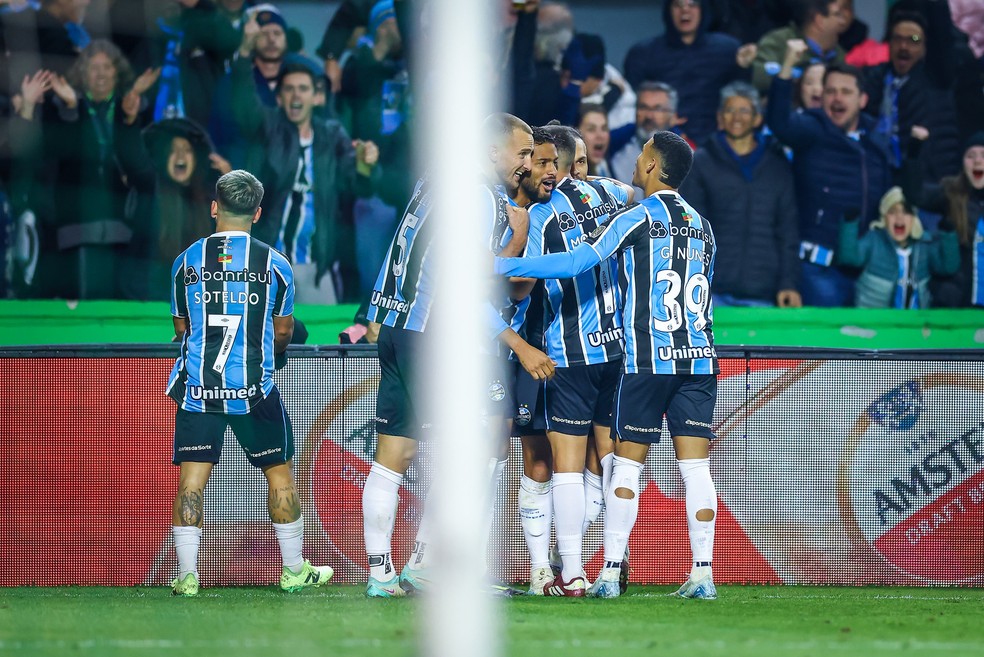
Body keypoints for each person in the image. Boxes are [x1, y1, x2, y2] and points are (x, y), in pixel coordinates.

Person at [494, 130, 720, 600]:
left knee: (625, 470)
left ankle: (608, 573)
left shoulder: (635, 217)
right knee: (696, 471)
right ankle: (703, 573)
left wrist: (499, 266)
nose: (635, 159)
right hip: (699, 357)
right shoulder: (703, 225)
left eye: (643, 153)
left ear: (653, 165)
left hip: (644, 359)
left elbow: (576, 261)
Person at [361, 113, 553, 598]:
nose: (526, 163)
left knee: (394, 454)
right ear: (491, 150)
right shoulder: (482, 196)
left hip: (396, 326)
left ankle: (381, 575)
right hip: (434, 334)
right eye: (522, 153)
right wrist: (518, 236)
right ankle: (438, 567)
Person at [166, 169, 333, 597]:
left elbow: (181, 328)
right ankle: (293, 570)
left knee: (192, 482)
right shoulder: (276, 265)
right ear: (257, 213)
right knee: (279, 475)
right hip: (253, 389)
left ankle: (187, 576)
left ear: (214, 208)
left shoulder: (185, 262)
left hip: (198, 389)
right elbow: (284, 331)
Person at [519, 124, 632, 597]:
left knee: (562, 467)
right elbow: (637, 192)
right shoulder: (609, 194)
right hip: (617, 348)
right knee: (608, 464)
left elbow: (522, 285)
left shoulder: (540, 214)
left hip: (567, 351)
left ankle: (570, 571)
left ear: (551, 164)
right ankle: (610, 563)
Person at [231, 12, 380, 304]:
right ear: (279, 98)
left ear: (316, 97)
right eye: (288, 89)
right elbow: (244, 104)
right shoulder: (268, 127)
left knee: (321, 333)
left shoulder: (332, 135)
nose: (295, 96)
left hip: (318, 267)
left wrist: (366, 165)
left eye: (303, 89)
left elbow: (359, 187)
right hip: (268, 265)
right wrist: (245, 51)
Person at [766, 42, 893, 307]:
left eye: (846, 92)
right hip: (817, 271)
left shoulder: (876, 140)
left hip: (865, 271)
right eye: (831, 91)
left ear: (862, 100)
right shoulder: (812, 129)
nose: (837, 98)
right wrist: (787, 65)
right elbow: (780, 122)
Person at [679, 81, 801, 307]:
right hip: (710, 291)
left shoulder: (778, 166)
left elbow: (787, 231)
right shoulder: (701, 163)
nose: (736, 117)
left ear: (757, 118)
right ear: (720, 117)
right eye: (730, 110)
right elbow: (690, 230)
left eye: (744, 110)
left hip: (764, 292)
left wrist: (788, 283)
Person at [623, 0, 756, 146]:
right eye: (678, 5)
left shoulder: (729, 49)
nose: (685, 10)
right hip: (661, 137)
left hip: (716, 140)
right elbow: (633, 104)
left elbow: (742, 93)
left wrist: (744, 68)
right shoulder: (643, 53)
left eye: (692, 4)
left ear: (703, 10)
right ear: (668, 11)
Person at [836, 185, 958, 308]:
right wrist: (850, 225)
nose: (899, 217)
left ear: (914, 219)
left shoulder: (924, 244)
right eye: (892, 212)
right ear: (884, 218)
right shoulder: (874, 240)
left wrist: (948, 236)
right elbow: (849, 258)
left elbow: (948, 267)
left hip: (915, 316)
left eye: (906, 212)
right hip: (874, 315)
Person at [901, 128, 984, 308]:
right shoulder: (952, 192)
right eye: (970, 156)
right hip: (956, 302)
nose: (977, 161)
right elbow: (915, 194)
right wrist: (914, 152)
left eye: (983, 155)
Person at [751, 0, 847, 93]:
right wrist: (799, 77)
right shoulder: (779, 42)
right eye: (837, 15)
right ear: (819, 20)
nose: (843, 22)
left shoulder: (840, 55)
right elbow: (757, 77)